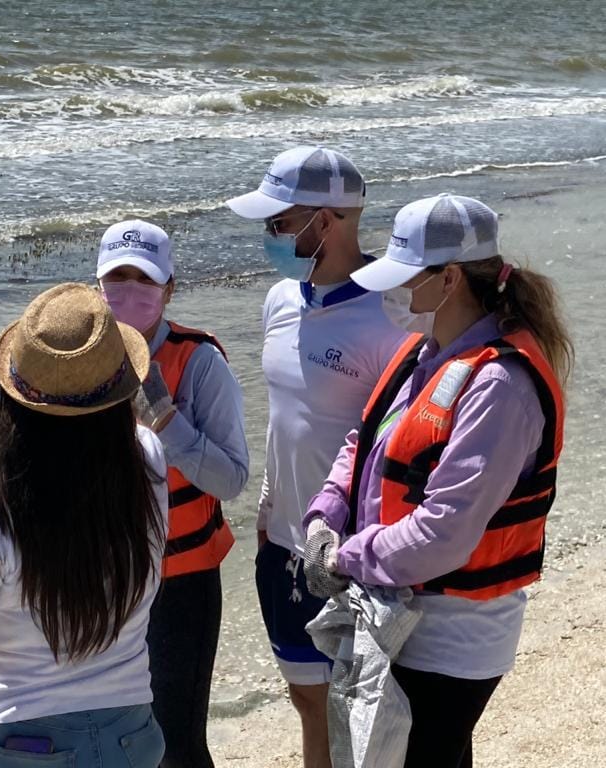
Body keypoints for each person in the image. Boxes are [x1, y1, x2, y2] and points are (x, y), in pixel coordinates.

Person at [304, 193, 572, 768]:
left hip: (451, 642)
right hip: (402, 613)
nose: (392, 292)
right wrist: (324, 516)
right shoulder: (425, 351)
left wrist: (345, 559)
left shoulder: (499, 384)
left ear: (449, 279)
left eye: (405, 277)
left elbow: (444, 533)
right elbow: (365, 441)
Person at [0, 283, 169, 767]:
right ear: (120, 392)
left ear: (14, 399)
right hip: (130, 738)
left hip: (14, 749)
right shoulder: (148, 465)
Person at [226, 146, 409, 768]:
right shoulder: (281, 299)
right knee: (306, 701)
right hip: (280, 546)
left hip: (348, 554)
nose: (270, 235)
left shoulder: (394, 318)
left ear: (325, 221)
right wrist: (267, 513)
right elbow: (289, 418)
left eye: (279, 222)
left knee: (363, 713)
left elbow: (403, 450)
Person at [96, 220, 249, 768]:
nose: (131, 291)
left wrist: (167, 421)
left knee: (178, 744)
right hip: (104, 579)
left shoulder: (199, 360)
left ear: (170, 289)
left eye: (146, 279)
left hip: (180, 583)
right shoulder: (77, 360)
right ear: (98, 287)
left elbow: (233, 479)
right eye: (119, 277)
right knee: (113, 736)